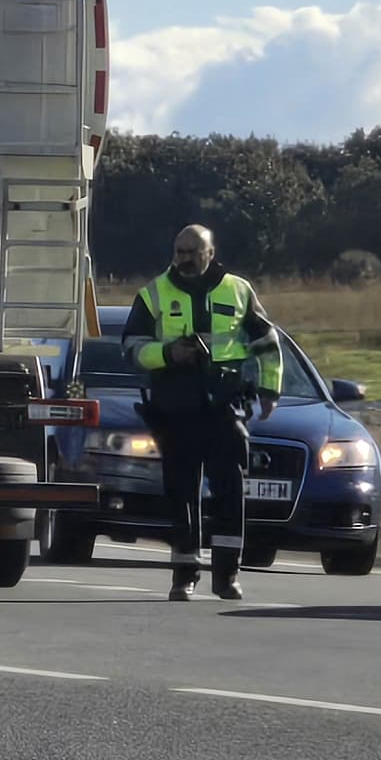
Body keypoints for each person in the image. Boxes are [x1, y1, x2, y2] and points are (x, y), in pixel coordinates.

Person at [128, 223, 285, 601]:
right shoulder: (153, 293)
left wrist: (269, 390)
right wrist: (168, 354)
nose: (183, 258)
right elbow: (132, 347)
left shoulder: (238, 289)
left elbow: (267, 341)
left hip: (223, 401)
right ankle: (184, 576)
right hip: (175, 403)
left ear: (210, 253)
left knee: (230, 491)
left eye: (192, 251)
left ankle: (227, 576)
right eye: (179, 250)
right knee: (181, 493)